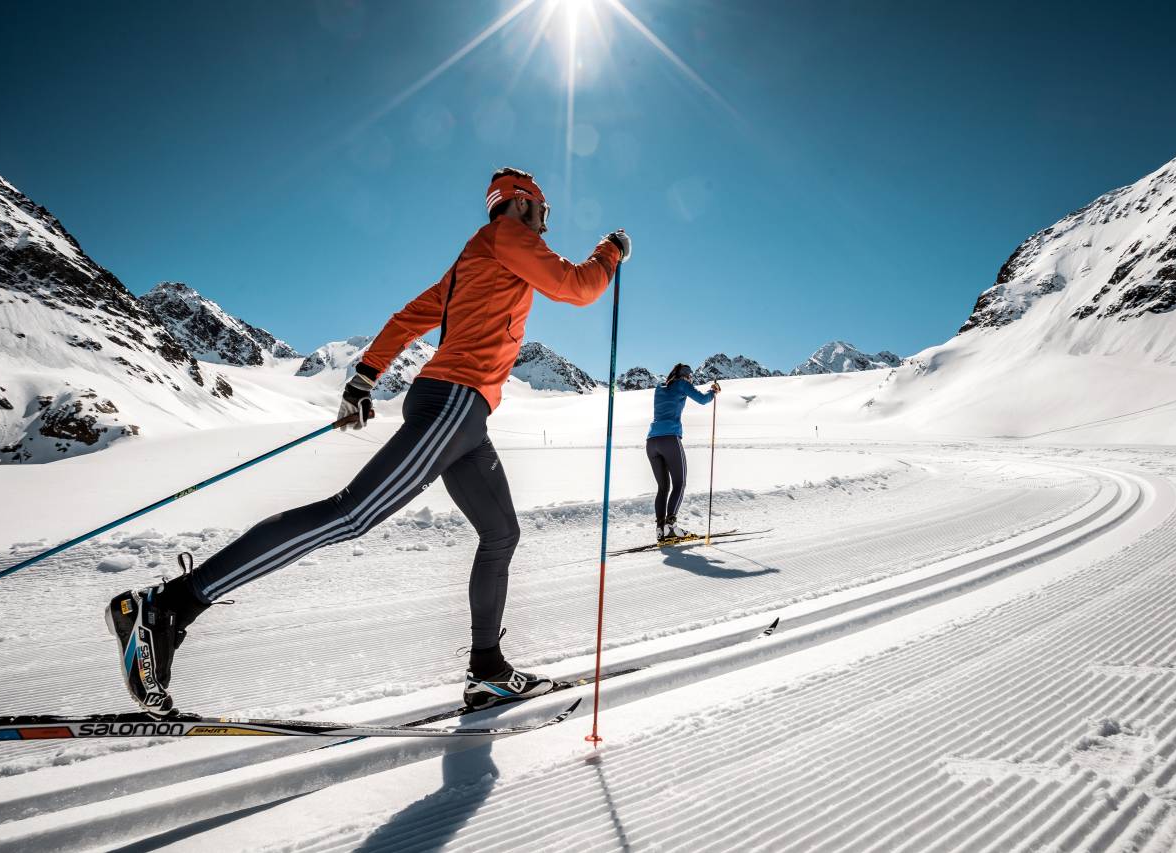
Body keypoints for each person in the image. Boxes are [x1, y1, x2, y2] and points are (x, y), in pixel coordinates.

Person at [106, 167, 631, 716]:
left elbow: (408, 318)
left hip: (463, 416)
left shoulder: (473, 262)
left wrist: (363, 379)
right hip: (455, 402)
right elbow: (579, 287)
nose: (545, 227)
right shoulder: (508, 236)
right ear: (523, 204)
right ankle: (168, 607)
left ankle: (487, 672)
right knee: (350, 514)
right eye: (544, 213)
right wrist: (610, 251)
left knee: (501, 533)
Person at [646, 364, 720, 542]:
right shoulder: (682, 384)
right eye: (690, 376)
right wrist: (713, 392)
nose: (691, 379)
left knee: (663, 488)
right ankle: (671, 526)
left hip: (651, 442)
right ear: (685, 376)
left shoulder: (659, 388)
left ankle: (660, 529)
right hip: (670, 439)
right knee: (680, 483)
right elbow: (702, 400)